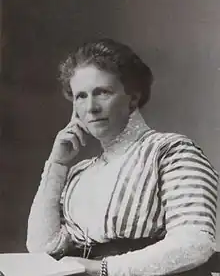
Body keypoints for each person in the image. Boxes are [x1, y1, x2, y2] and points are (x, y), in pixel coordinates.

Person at [26, 38, 218, 276]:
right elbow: (42, 247)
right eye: (81, 96)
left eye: (102, 92)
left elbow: (195, 243)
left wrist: (102, 268)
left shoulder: (170, 151)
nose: (91, 107)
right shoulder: (81, 173)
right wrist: (57, 164)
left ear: (133, 98)